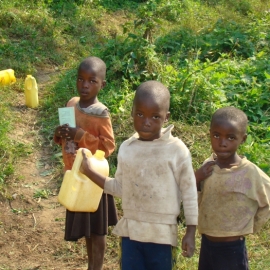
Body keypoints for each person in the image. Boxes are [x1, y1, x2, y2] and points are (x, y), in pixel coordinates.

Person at [80, 80, 198, 270]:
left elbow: (189, 192)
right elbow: (119, 188)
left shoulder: (176, 150)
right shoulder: (127, 148)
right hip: (131, 235)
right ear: (132, 112)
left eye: (155, 117)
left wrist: (191, 231)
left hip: (163, 237)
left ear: (166, 117)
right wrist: (89, 172)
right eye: (141, 114)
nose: (146, 122)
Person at [54, 56, 118, 270]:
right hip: (75, 176)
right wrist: (60, 134)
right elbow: (66, 140)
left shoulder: (101, 113)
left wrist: (81, 134)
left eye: (92, 81)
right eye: (81, 79)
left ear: (102, 84)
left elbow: (108, 146)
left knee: (97, 230)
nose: (85, 85)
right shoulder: (71, 104)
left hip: (94, 180)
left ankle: (96, 267)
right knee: (87, 229)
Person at [195, 106, 270, 270]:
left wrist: (251, 224)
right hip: (207, 244)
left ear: (242, 139)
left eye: (230, 138)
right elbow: (196, 199)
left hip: (232, 249)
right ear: (209, 134)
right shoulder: (208, 167)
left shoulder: (249, 172)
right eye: (216, 135)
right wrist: (196, 178)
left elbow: (267, 198)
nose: (222, 143)